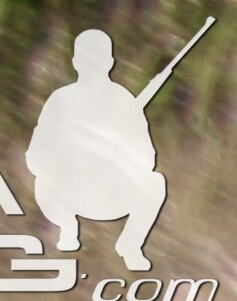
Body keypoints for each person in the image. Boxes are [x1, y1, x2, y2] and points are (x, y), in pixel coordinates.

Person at [31, 28, 172, 271]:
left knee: (155, 183)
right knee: (45, 185)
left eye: (97, 59)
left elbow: (147, 158)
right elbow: (36, 156)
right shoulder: (61, 101)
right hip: (67, 193)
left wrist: (116, 153)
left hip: (110, 191)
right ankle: (65, 233)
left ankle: (130, 245)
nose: (92, 65)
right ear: (75, 62)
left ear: (109, 62)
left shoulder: (124, 101)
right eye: (87, 58)